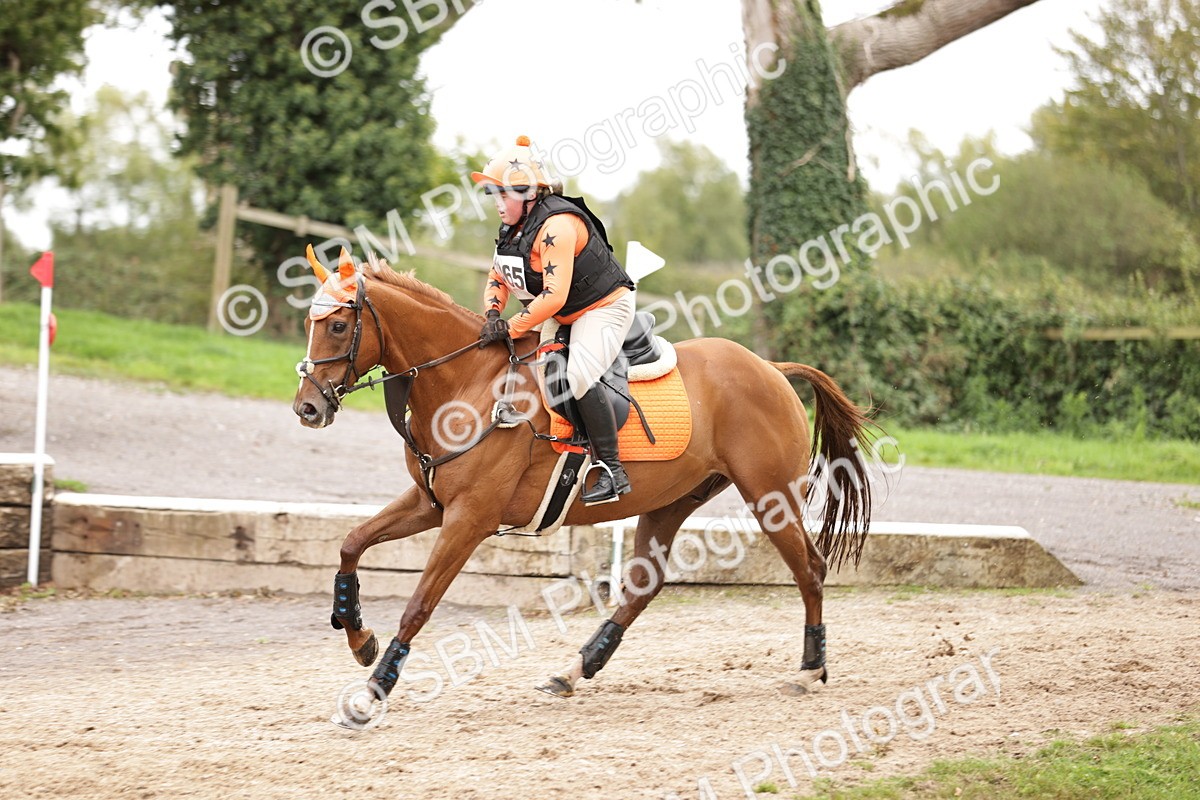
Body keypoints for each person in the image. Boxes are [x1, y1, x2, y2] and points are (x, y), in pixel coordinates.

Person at [473, 135, 637, 505]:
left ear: (529, 193)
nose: (498, 205)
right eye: (494, 196)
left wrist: (512, 327)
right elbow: (497, 277)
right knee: (521, 362)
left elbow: (554, 294)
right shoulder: (511, 230)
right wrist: (494, 314)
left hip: (603, 308)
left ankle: (612, 469)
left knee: (578, 375)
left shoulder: (556, 226)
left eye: (504, 196)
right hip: (563, 314)